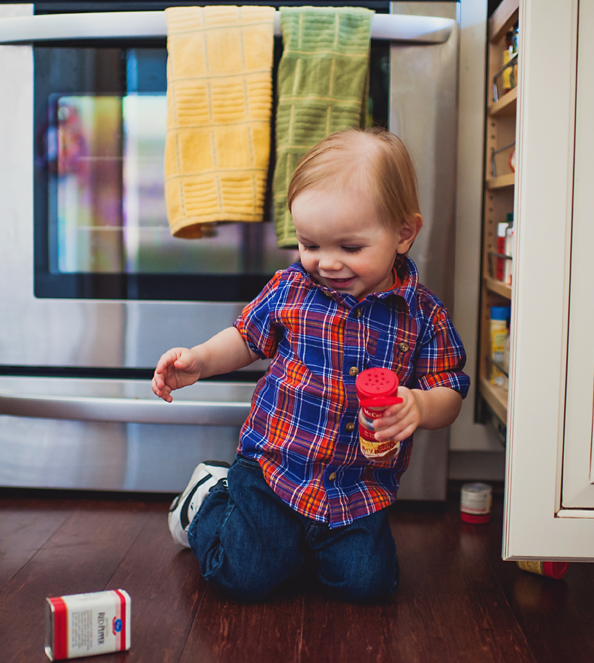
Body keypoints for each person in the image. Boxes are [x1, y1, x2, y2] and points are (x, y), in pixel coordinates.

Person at [151, 127, 470, 602]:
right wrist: (200, 360)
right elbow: (245, 337)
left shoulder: (423, 315)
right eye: (310, 244)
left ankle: (298, 548)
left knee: (368, 587)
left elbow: (450, 390)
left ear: (404, 233)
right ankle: (207, 500)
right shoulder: (291, 289)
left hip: (357, 487)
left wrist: (420, 406)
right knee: (246, 577)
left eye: (350, 247)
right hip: (276, 471)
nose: (326, 263)